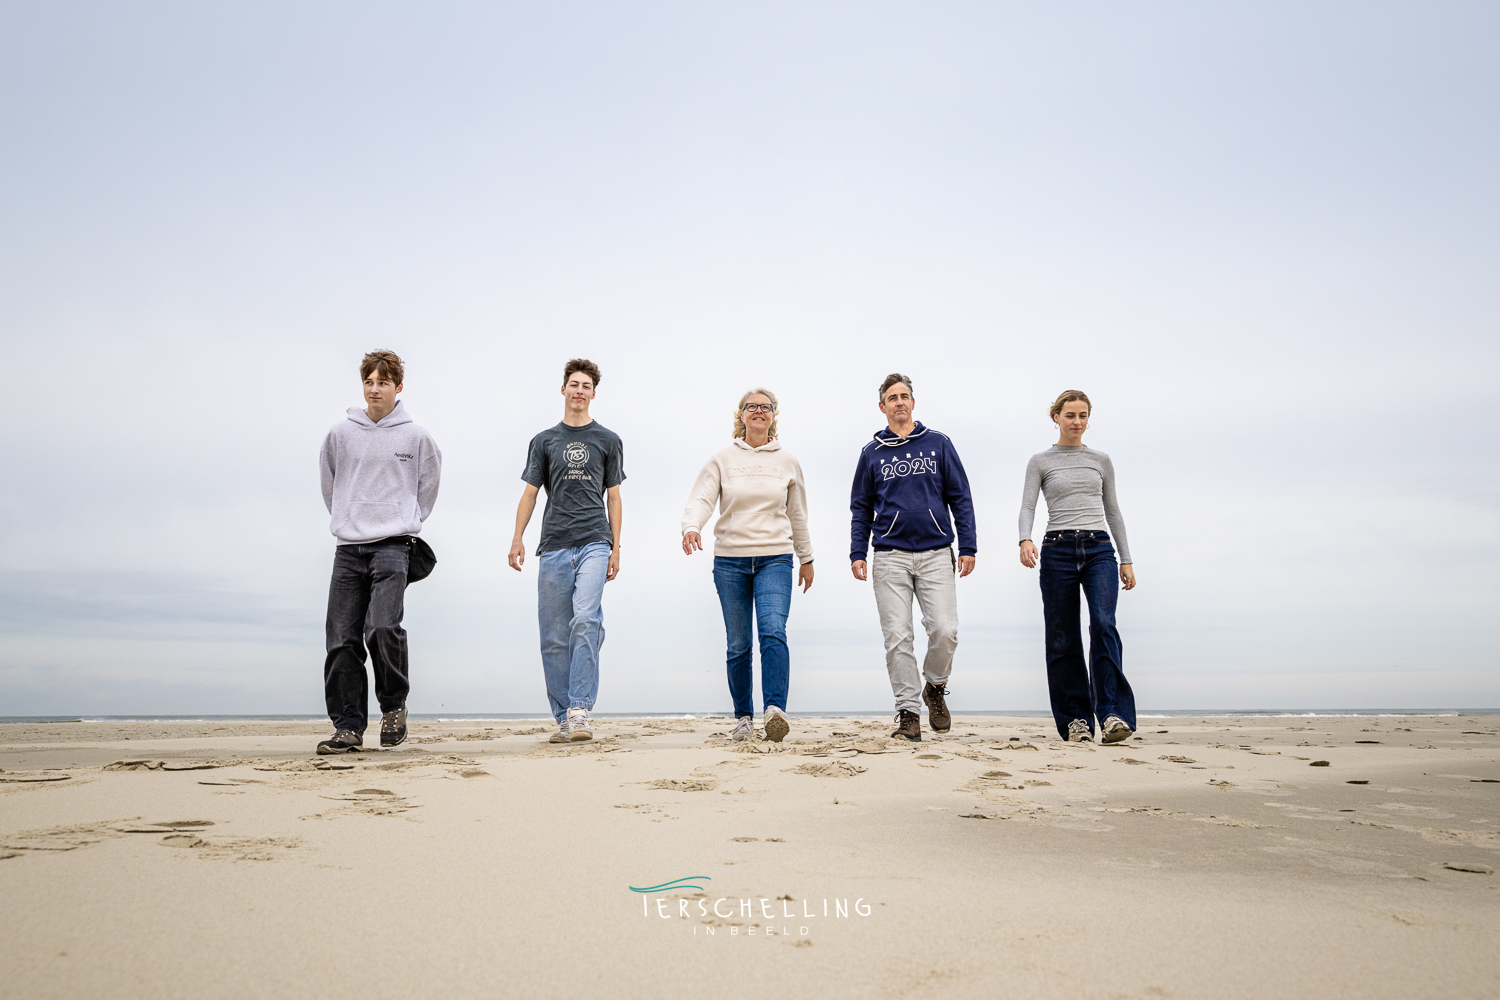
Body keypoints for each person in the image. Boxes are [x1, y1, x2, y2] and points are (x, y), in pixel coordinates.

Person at [316, 351, 442, 754]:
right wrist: (348, 518)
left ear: (398, 387)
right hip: (348, 548)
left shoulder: (416, 437)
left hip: (393, 545)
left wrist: (404, 518)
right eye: (370, 381)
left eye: (383, 382)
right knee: (341, 640)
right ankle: (348, 727)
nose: (375, 389)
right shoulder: (340, 434)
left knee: (382, 628)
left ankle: (393, 707)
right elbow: (330, 485)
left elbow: (428, 486)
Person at [681, 388, 814, 743]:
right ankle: (742, 717)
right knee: (738, 643)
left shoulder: (788, 461)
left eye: (765, 407)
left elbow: (797, 514)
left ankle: (774, 711)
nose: (759, 411)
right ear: (741, 415)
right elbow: (702, 498)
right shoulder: (722, 459)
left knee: (773, 629)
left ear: (774, 416)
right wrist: (692, 526)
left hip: (775, 556)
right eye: (751, 407)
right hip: (730, 561)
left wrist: (807, 557)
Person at [850, 373, 976, 742]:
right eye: (892, 397)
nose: (899, 402)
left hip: (937, 553)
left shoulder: (938, 443)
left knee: (945, 631)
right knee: (897, 638)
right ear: (882, 406)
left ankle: (935, 687)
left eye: (905, 395)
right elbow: (861, 508)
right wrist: (858, 551)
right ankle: (908, 713)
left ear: (913, 403)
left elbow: (961, 497)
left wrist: (967, 545)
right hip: (889, 556)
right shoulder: (871, 453)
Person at [509, 359, 625, 743]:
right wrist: (517, 538)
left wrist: (616, 547)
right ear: (563, 390)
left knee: (586, 620)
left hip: (594, 539)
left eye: (586, 385)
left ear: (593, 393)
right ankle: (562, 716)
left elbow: (614, 496)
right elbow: (530, 493)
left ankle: (579, 709)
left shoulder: (608, 440)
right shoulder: (544, 441)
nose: (579, 390)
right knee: (554, 636)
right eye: (573, 384)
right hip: (554, 544)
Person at [1018, 390, 1137, 744]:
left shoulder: (1101, 460)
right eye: (1070, 415)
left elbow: (1113, 510)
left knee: (1103, 624)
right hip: (1057, 550)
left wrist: (1126, 558)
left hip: (1100, 548)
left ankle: (1113, 714)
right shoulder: (1040, 461)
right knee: (1062, 636)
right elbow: (1027, 507)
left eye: (1083, 415)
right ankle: (1076, 721)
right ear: (1056, 417)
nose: (1077, 422)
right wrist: (1025, 538)